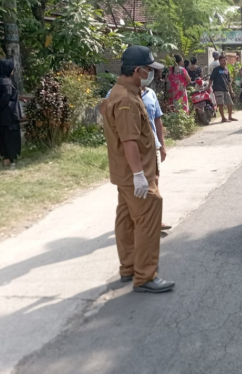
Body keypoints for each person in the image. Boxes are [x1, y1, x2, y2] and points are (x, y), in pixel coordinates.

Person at [101, 45, 174, 293]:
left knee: (126, 219)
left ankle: (129, 268)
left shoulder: (123, 92)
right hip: (135, 173)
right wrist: (140, 175)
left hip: (126, 173)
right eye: (148, 70)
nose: (151, 74)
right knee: (148, 217)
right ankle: (145, 276)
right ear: (137, 70)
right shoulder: (126, 100)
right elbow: (129, 140)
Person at [0, 60, 21, 168]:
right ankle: (12, 159)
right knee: (10, 137)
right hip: (9, 114)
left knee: (3, 136)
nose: (12, 70)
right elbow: (6, 98)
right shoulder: (6, 83)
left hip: (0, 115)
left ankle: (6, 158)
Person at [209, 55, 237, 123]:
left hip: (225, 89)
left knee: (230, 103)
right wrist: (208, 86)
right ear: (219, 61)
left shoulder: (226, 69)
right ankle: (223, 118)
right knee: (220, 104)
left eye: (225, 60)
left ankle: (230, 116)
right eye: (222, 60)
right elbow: (211, 78)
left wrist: (231, 90)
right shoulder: (216, 69)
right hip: (218, 89)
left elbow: (229, 81)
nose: (224, 62)